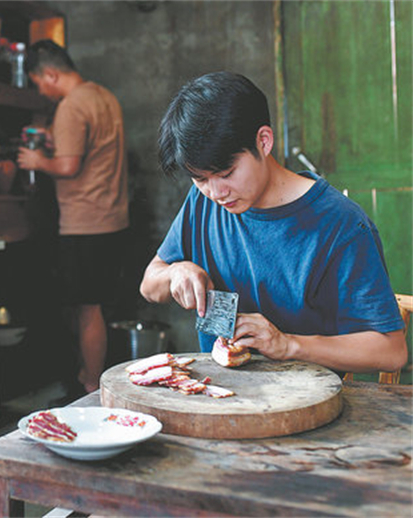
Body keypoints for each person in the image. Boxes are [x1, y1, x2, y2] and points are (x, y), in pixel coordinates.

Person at [140, 71, 407, 374]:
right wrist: (176, 272)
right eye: (200, 178)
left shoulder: (341, 224)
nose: (216, 193)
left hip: (308, 408)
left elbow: (391, 351)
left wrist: (288, 345)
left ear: (263, 141)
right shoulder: (202, 202)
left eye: (227, 173)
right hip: (221, 400)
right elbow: (150, 285)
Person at [17, 40, 129, 393]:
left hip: (85, 222)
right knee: (96, 306)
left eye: (38, 82)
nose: (42, 90)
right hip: (113, 218)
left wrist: (37, 162)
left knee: (87, 309)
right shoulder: (103, 97)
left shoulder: (70, 106)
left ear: (50, 74)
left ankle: (92, 386)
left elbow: (68, 165)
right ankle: (90, 378)